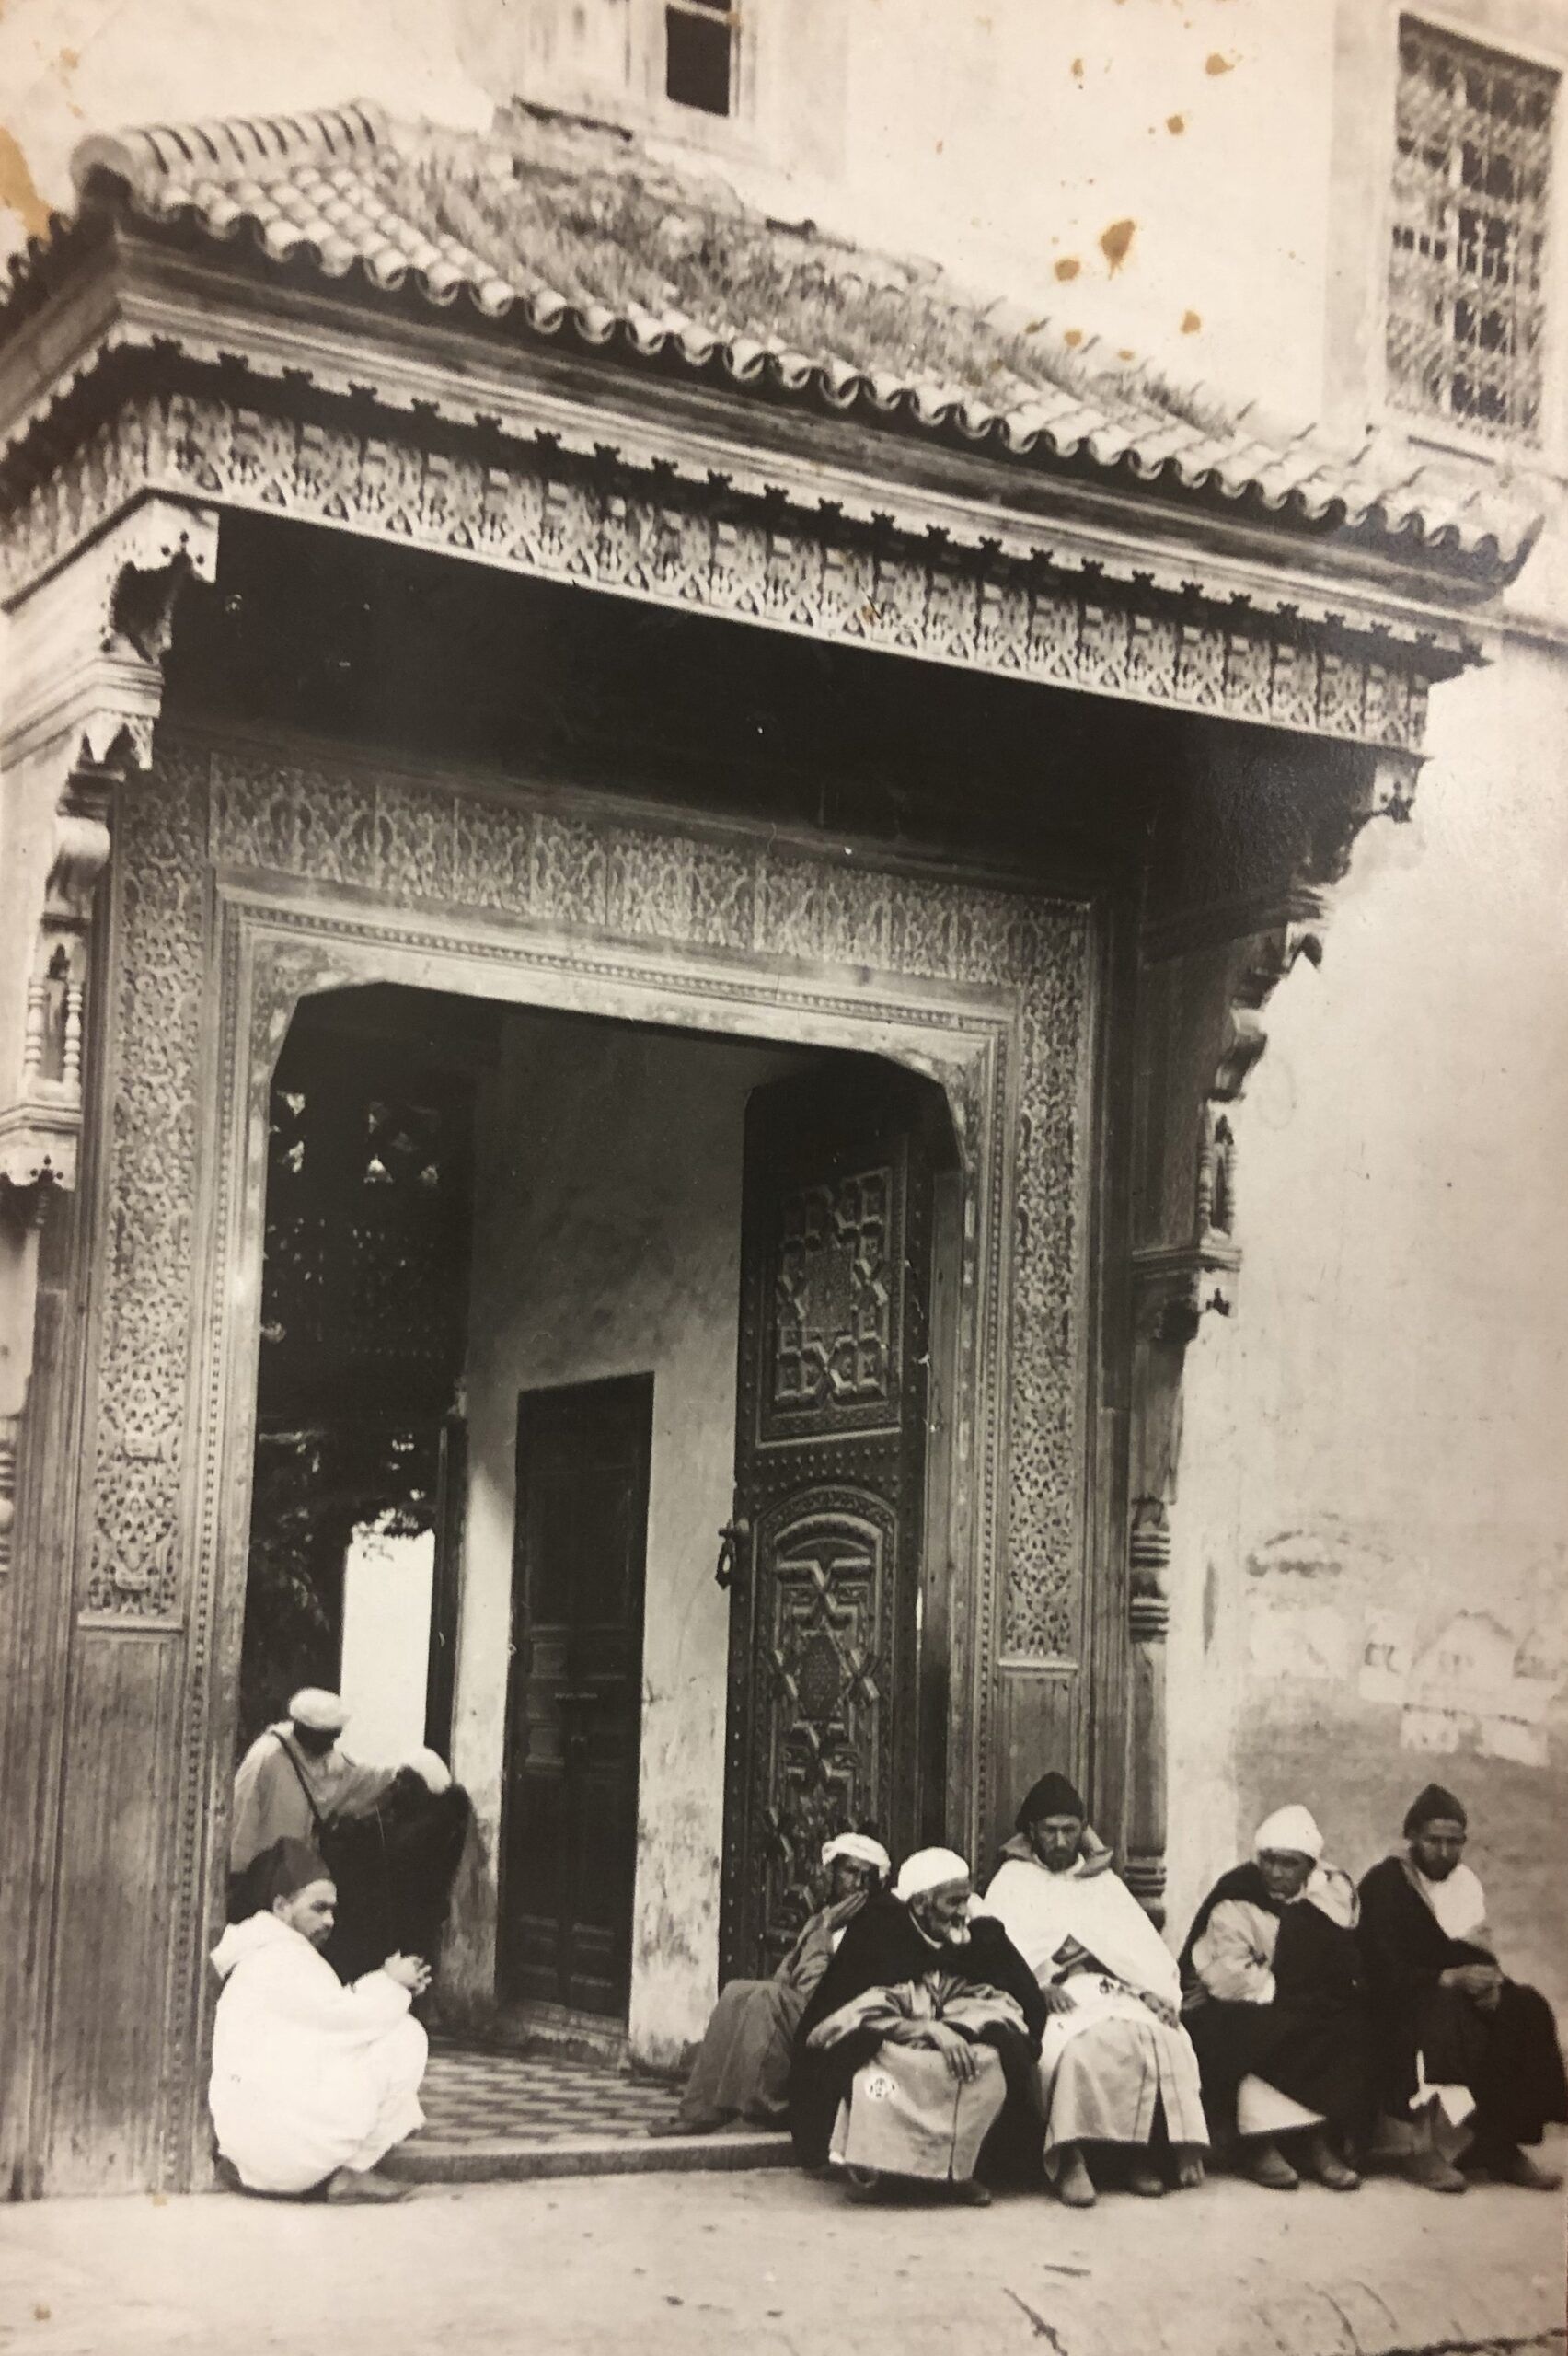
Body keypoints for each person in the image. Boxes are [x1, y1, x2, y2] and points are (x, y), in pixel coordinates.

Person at [978, 1771, 1208, 2208]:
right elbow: (1000, 1957)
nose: (1061, 1841)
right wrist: (1038, 1987)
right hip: (1050, 1994)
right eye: (1050, 1831)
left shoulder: (1102, 1882)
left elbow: (1136, 1951)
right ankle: (1072, 2158)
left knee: (1154, 2040)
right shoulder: (1014, 1881)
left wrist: (1149, 1992)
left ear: (1082, 1832)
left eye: (1070, 1830)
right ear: (1032, 1831)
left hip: (1110, 1990)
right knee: (1077, 2053)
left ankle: (1136, 2156)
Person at [790, 1846, 1046, 2205]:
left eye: (965, 1901)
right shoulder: (879, 1929)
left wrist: (961, 2028)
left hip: (961, 2030)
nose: (963, 1913)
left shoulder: (978, 1934)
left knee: (993, 2057)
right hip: (892, 2035)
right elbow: (842, 2015)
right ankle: (888, 2173)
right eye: (952, 1903)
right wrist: (925, 2031)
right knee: (881, 2071)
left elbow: (1010, 2001)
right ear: (921, 1904)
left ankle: (963, 2171)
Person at [1357, 1783, 1567, 2194]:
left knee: (1525, 2007)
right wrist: (1444, 1977)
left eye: (1454, 1842)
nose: (1444, 1851)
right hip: (1397, 2000)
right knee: (1441, 2008)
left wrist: (1491, 1983)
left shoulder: (1466, 1883)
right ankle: (1421, 2148)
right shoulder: (1386, 1884)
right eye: (1434, 1840)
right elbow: (1378, 1966)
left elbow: (1476, 1949)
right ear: (1412, 1837)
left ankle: (1498, 2143)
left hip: (1453, 1993)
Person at [209, 1836, 432, 2204]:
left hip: (252, 2155)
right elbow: (347, 2020)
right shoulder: (281, 1956)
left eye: (332, 1910)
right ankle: (348, 2173)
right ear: (282, 1906)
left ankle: (329, 2172)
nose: (329, 1920)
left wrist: (388, 1984)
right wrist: (392, 1983)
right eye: (319, 1908)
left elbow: (331, 2015)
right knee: (403, 2036)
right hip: (279, 2155)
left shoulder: (265, 1947)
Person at [1180, 1805, 1367, 2192]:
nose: (1277, 1872)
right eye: (1269, 1860)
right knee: (1263, 2030)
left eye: (1289, 1863)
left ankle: (1316, 2141)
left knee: (1349, 2025)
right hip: (1243, 2002)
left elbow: (1343, 1954)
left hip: (1306, 1999)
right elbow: (1229, 1974)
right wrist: (1289, 1993)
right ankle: (1258, 2142)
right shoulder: (1237, 1898)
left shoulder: (1331, 1893)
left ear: (1310, 1866)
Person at [653, 1832, 893, 2135]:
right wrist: (823, 1928)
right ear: (833, 1875)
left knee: (769, 1997)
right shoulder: (822, 1920)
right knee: (738, 1992)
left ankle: (762, 2112)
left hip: (840, 2018)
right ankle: (701, 2109)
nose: (857, 1884)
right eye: (850, 1872)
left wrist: (824, 1934)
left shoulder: (872, 1925)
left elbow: (814, 1991)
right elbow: (786, 1975)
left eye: (866, 1877)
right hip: (807, 2009)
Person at [230, 1688, 469, 1983]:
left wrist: (419, 1774)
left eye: (334, 1736)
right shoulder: (266, 1759)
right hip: (262, 1875)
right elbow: (241, 1820)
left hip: (300, 1875)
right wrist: (238, 1875)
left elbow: (367, 1780)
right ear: (303, 1729)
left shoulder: (329, 1761)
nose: (330, 1743)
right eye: (324, 1736)